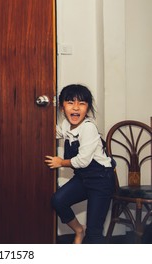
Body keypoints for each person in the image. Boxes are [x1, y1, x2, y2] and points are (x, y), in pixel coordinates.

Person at [45, 84, 115, 244]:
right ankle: (78, 230)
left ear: (88, 108)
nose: (76, 107)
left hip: (101, 180)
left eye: (82, 103)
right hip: (83, 179)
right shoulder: (66, 125)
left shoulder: (88, 128)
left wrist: (60, 162)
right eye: (70, 102)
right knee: (58, 200)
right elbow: (57, 132)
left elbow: (82, 161)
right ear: (62, 108)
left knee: (94, 232)